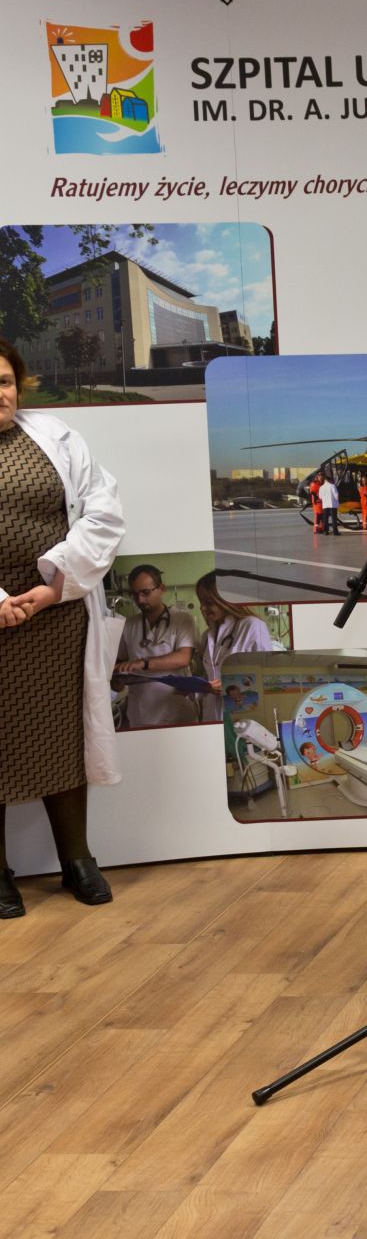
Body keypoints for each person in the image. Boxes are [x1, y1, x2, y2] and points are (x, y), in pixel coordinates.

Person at [0, 336, 127, 917]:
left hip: (56, 615)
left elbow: (103, 512)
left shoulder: (55, 437)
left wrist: (56, 586)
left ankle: (77, 859)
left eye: (5, 382)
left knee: (62, 738)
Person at [112, 563, 199, 728]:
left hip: (175, 711)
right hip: (140, 712)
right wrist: (117, 679)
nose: (140, 600)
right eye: (134, 594)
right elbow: (121, 661)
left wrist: (142, 663)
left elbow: (183, 658)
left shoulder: (182, 620)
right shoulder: (129, 625)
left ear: (161, 589)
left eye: (145, 592)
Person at [193, 573, 278, 721]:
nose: (202, 608)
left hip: (242, 713)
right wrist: (196, 687)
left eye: (208, 602)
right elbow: (208, 676)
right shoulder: (207, 636)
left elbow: (267, 675)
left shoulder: (252, 626)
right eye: (201, 602)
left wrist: (227, 685)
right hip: (211, 715)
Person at [317, 470, 341, 535]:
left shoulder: (321, 487)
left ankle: (325, 531)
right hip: (332, 505)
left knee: (325, 519)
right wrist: (337, 502)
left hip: (325, 505)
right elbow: (336, 495)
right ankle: (335, 532)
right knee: (334, 519)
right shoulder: (332, 486)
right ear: (329, 480)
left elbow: (320, 497)